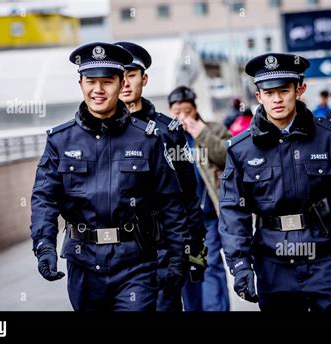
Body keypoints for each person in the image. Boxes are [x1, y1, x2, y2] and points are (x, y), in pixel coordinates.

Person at [30, 42, 190, 311]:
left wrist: (177, 257)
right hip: (83, 265)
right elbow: (44, 199)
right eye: (91, 81)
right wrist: (44, 244)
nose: (98, 90)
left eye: (107, 81)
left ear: (120, 81)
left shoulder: (146, 139)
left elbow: (171, 202)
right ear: (80, 83)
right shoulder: (60, 140)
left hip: (136, 263)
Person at [219, 53, 331, 311]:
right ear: (259, 96)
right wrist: (239, 265)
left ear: (299, 89)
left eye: (284, 90)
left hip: (324, 258)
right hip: (272, 264)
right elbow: (232, 211)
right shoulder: (241, 149)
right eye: (269, 93)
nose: (277, 99)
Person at [115, 41, 207, 311]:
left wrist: (195, 248)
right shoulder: (99, 133)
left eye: (131, 75)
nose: (125, 83)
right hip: (116, 252)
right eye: (119, 76)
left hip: (162, 249)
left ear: (144, 78)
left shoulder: (168, 131)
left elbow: (188, 193)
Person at [169, 86, 231, 311]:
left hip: (208, 216)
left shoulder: (212, 129)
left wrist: (202, 134)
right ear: (170, 111)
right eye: (177, 111)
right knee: (186, 268)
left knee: (210, 263)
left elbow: (228, 157)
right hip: (179, 220)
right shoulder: (167, 135)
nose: (183, 116)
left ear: (195, 109)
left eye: (187, 110)